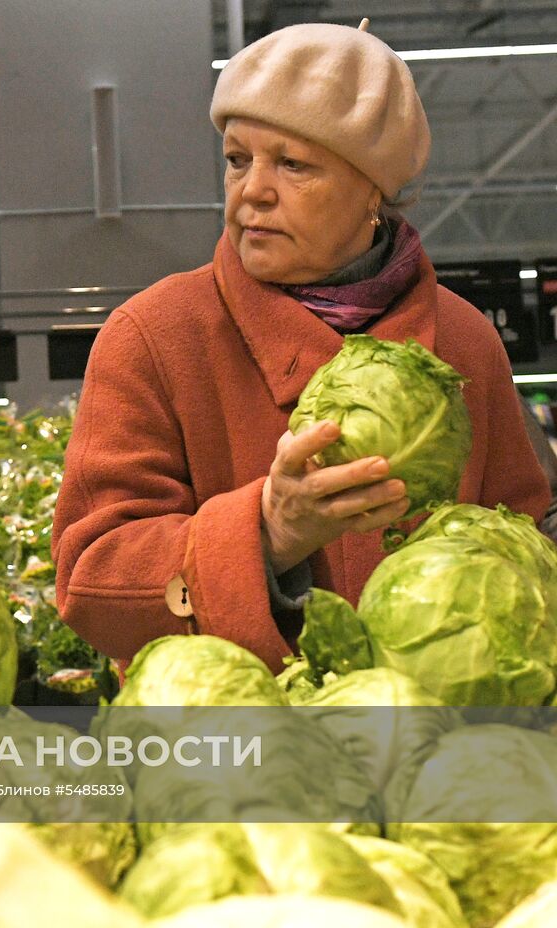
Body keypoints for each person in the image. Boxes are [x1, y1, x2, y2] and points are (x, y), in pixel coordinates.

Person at [51, 22, 550, 672]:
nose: (252, 190)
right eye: (237, 159)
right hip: (237, 755)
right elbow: (90, 583)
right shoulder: (154, 335)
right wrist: (265, 532)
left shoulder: (465, 342)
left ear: (374, 189)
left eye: (292, 164)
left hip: (439, 744)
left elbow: (524, 540)